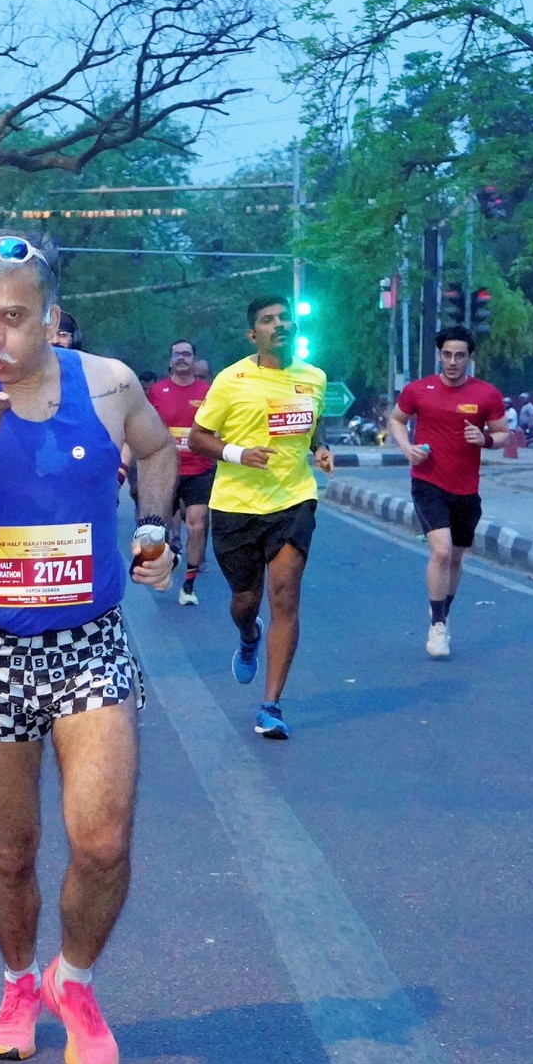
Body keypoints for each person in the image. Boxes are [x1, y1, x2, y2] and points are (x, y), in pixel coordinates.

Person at [0, 230, 178, 1064]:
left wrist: (152, 529)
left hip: (88, 642)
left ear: (51, 316)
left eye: (14, 316)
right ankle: (20, 981)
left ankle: (77, 981)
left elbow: (159, 448)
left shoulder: (108, 382)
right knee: (10, 849)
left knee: (102, 841)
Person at [187, 295, 332, 740]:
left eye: (285, 317)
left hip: (293, 499)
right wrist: (239, 453)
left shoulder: (314, 377)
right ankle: (249, 636)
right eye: (269, 320)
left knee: (285, 596)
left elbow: (312, 423)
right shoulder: (231, 380)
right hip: (236, 505)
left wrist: (320, 448)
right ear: (254, 334)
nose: (280, 324)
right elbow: (197, 438)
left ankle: (271, 706)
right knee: (245, 601)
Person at [388, 326, 509, 659]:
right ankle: (437, 625)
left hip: (466, 488)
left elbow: (503, 433)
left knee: (455, 557)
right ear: (439, 356)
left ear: (469, 358)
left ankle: (442, 608)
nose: (453, 362)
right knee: (440, 552)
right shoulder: (418, 390)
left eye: (460, 356)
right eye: (447, 355)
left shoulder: (486, 394)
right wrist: (407, 448)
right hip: (428, 482)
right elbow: (396, 420)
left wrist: (484, 439)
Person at [147, 339, 213, 605]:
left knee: (197, 524)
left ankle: (188, 585)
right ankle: (166, 559)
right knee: (156, 527)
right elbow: (146, 426)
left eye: (187, 354)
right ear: (170, 360)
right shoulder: (157, 391)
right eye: (177, 354)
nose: (182, 358)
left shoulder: (208, 391)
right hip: (166, 471)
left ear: (195, 361)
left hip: (199, 469)